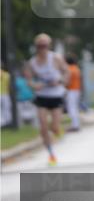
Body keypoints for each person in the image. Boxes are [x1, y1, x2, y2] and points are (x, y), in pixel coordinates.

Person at [25, 33, 69, 166]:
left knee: (54, 127)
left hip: (56, 95)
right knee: (43, 126)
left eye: (44, 45)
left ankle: (57, 130)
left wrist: (61, 81)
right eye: (39, 46)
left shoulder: (56, 58)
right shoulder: (32, 62)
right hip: (42, 96)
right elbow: (29, 80)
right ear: (36, 47)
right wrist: (35, 85)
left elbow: (66, 72)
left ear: (48, 46)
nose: (42, 48)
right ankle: (51, 155)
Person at [64, 54, 83, 132]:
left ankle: (75, 126)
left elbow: (67, 81)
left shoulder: (68, 69)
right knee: (75, 108)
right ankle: (76, 124)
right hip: (77, 90)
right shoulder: (76, 68)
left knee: (71, 108)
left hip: (71, 90)